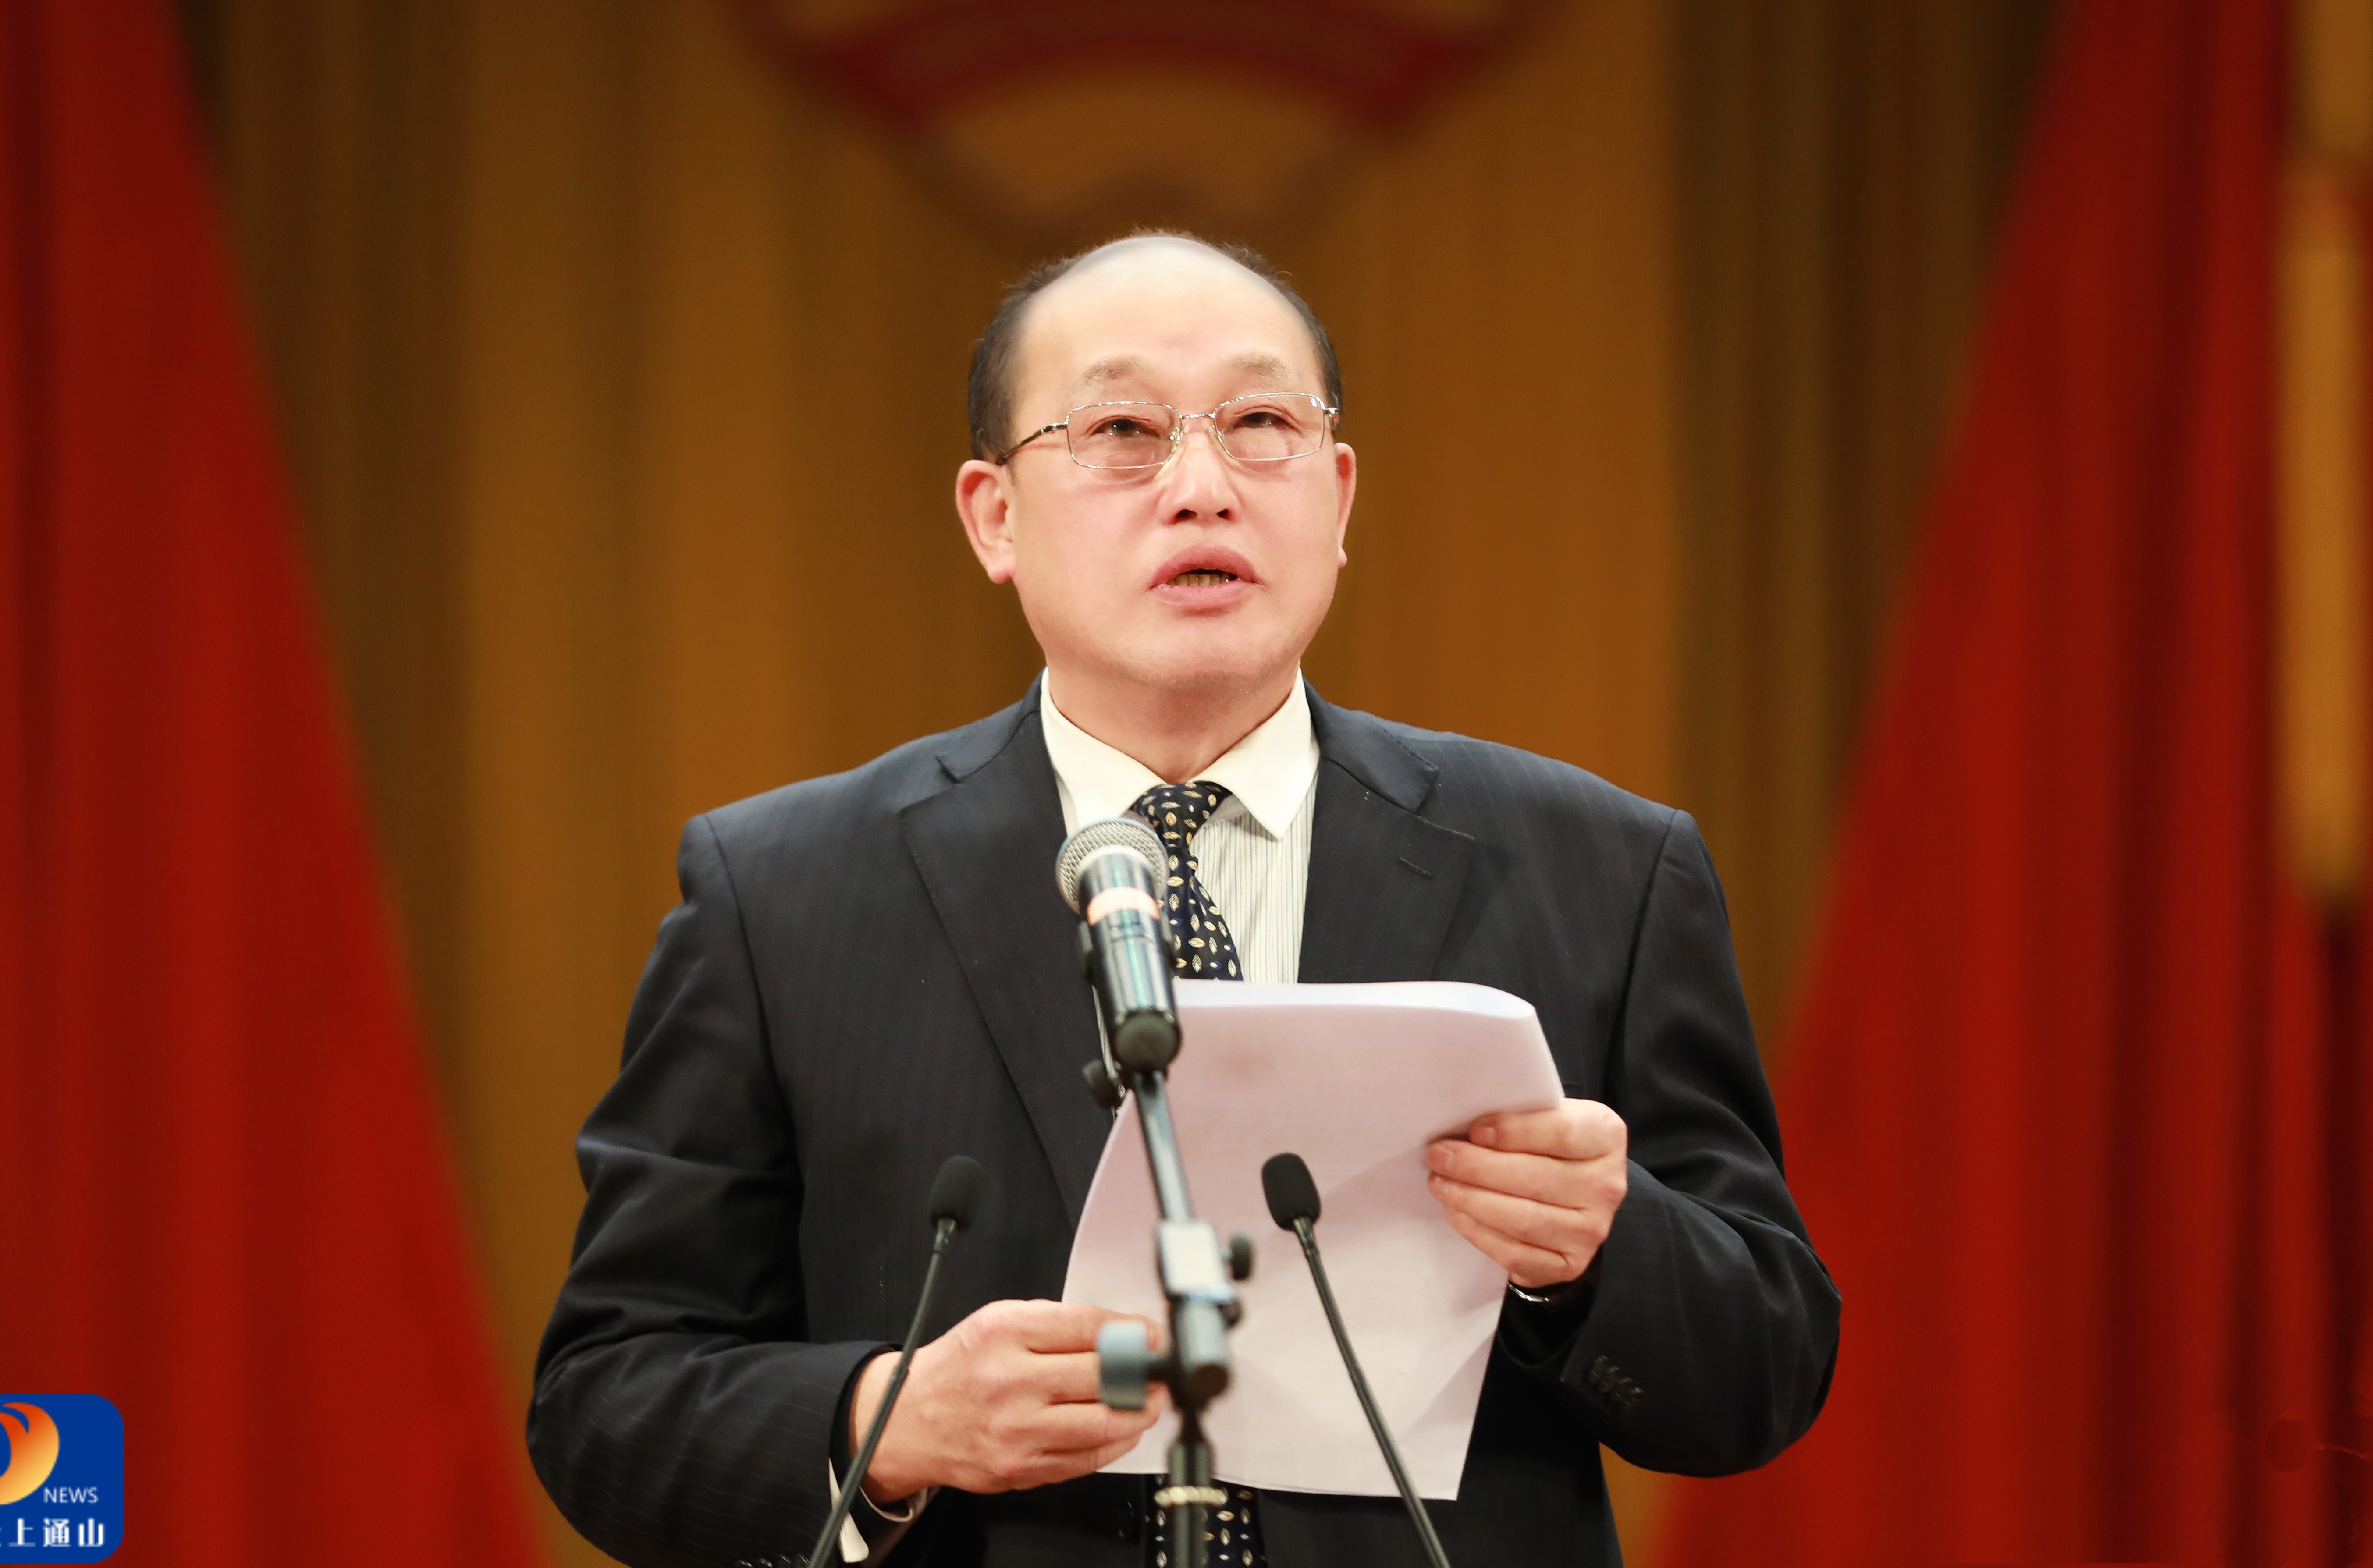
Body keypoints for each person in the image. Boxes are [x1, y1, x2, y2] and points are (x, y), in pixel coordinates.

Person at [527, 233, 1840, 1568]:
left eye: (1261, 424)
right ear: (994, 516)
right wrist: (891, 1419)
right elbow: (605, 1398)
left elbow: (1769, 1362)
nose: (1202, 488)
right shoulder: (783, 896)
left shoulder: (1601, 869)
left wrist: (1600, 1250)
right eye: (1122, 431)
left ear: (1338, 495)